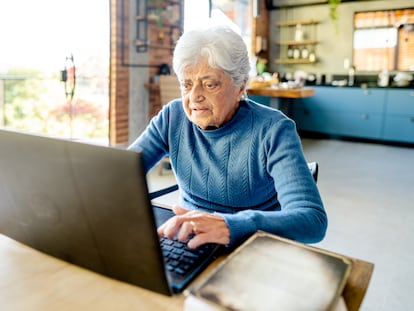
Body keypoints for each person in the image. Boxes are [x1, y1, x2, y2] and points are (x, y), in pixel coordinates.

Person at [128, 26, 327, 249]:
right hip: (189, 241)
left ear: (241, 85)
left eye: (210, 84)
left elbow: (313, 221)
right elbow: (121, 171)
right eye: (187, 84)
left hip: (252, 245)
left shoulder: (274, 129)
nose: (195, 97)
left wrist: (231, 224)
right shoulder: (172, 117)